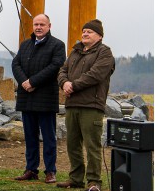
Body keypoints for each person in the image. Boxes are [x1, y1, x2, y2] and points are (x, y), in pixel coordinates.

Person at [57, 19, 115, 191]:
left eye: (89, 31)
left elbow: (95, 74)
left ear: (99, 36)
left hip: (92, 105)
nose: (85, 34)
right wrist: (64, 83)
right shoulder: (75, 51)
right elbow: (62, 70)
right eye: (84, 31)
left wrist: (72, 85)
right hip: (72, 104)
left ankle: (94, 181)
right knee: (72, 144)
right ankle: (75, 179)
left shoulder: (105, 53)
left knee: (92, 146)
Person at [11, 14, 66, 184]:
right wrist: (24, 82)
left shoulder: (57, 45)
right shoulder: (25, 44)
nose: (38, 27)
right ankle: (31, 169)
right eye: (36, 24)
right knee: (30, 137)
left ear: (49, 25)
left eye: (42, 24)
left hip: (45, 98)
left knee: (49, 137)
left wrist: (33, 82)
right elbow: (16, 64)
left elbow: (55, 66)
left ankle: (50, 171)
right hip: (27, 98)